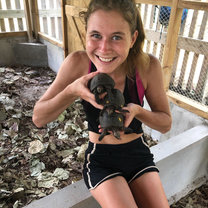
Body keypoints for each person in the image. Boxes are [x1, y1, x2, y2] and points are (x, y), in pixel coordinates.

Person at [32, 0, 172, 207]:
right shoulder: (78, 63)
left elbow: (165, 123)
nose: (104, 48)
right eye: (96, 35)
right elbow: (39, 117)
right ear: (85, 35)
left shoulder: (147, 66)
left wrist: (138, 111)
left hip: (138, 155)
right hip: (101, 160)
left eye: (116, 37)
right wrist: (72, 90)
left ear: (133, 38)